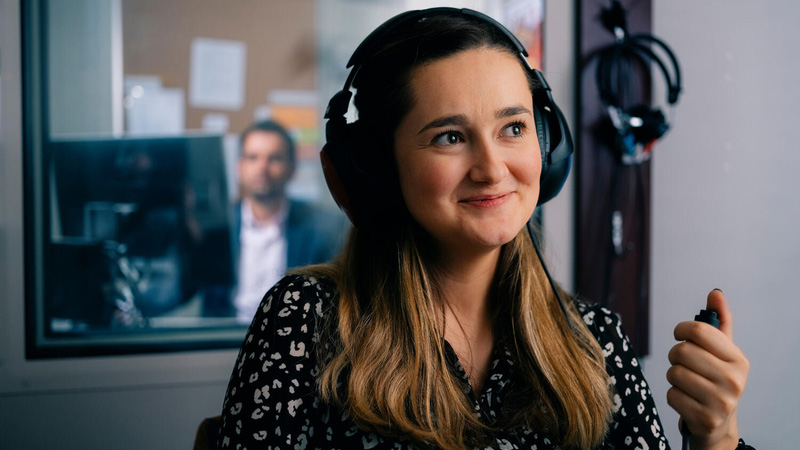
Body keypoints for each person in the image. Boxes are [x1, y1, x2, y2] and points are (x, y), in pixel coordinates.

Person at [218, 8, 752, 450]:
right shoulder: (304, 322)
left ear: (547, 144)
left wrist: (717, 437)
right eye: (450, 137)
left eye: (513, 128)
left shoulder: (595, 340)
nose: (493, 168)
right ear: (376, 173)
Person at [202, 120, 347, 322]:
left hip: (292, 339)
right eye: (253, 158)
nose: (262, 167)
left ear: (292, 168)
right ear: (239, 168)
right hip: (225, 338)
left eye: (274, 158)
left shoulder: (323, 229)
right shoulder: (217, 229)